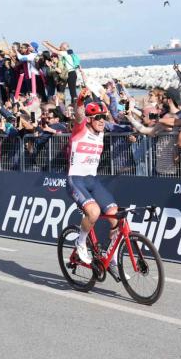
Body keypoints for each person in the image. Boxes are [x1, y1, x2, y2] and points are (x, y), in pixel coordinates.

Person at [66, 89, 123, 278]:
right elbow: (79, 114)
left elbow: (119, 126)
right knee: (94, 212)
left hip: (92, 181)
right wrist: (81, 100)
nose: (101, 120)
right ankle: (80, 242)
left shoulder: (102, 132)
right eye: (98, 117)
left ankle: (111, 257)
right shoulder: (80, 129)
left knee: (116, 217)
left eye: (103, 117)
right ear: (90, 119)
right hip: (76, 180)